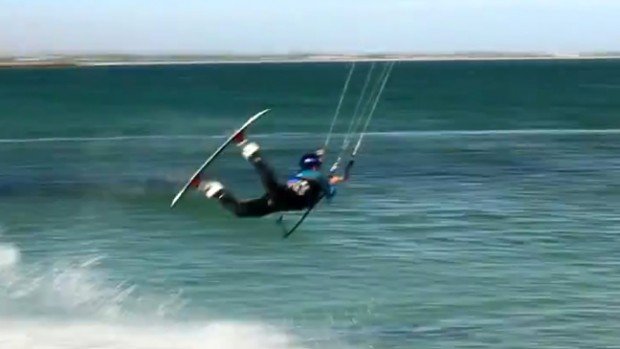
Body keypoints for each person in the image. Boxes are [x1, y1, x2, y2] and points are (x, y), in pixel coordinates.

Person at [190, 132, 344, 217]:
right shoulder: (317, 177)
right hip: (283, 198)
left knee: (240, 211)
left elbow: (310, 184)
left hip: (278, 202)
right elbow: (329, 195)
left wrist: (327, 182)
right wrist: (331, 183)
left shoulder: (303, 175)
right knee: (268, 180)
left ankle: (211, 188)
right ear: (315, 166)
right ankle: (244, 145)